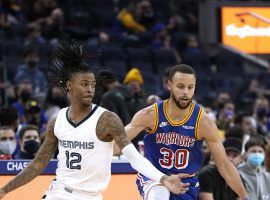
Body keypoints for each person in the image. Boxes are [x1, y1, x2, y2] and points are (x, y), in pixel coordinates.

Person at [0, 41, 186, 200]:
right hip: (60, 192)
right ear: (69, 86)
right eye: (84, 84)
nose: (90, 89)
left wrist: (163, 179)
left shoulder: (107, 119)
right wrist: (5, 189)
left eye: (93, 85)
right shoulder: (57, 120)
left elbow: (134, 157)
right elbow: (37, 164)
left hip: (91, 196)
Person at [118, 64, 249, 200]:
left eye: (190, 87)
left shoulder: (203, 122)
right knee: (159, 195)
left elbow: (224, 165)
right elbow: (117, 142)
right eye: (181, 86)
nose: (186, 92)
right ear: (169, 85)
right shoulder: (151, 114)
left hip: (186, 183)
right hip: (155, 177)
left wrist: (245, 197)